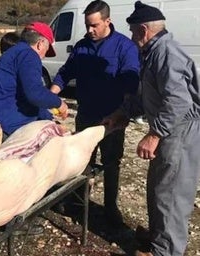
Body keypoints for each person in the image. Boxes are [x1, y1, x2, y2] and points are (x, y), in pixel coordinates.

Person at [103, 1, 200, 255]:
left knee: (171, 195)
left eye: (134, 33)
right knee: (158, 188)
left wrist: (154, 134)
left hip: (179, 131)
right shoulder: (153, 52)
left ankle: (165, 251)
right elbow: (148, 95)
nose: (133, 39)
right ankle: (158, 239)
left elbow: (178, 101)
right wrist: (121, 113)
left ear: (143, 30)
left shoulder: (166, 53)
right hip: (169, 129)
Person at [49, 0, 140, 225]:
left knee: (111, 162)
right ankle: (78, 202)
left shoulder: (124, 47)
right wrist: (52, 92)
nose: (90, 30)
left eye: (95, 25)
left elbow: (131, 80)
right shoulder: (81, 46)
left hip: (112, 117)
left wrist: (124, 112)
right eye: (87, 25)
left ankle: (110, 207)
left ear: (107, 21)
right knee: (81, 160)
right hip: (86, 115)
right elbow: (65, 71)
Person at [0, 22, 68, 152]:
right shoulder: (29, 55)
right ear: (40, 44)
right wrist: (59, 103)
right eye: (46, 49)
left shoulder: (15, 53)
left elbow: (26, 97)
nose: (44, 56)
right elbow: (35, 93)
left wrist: (47, 117)